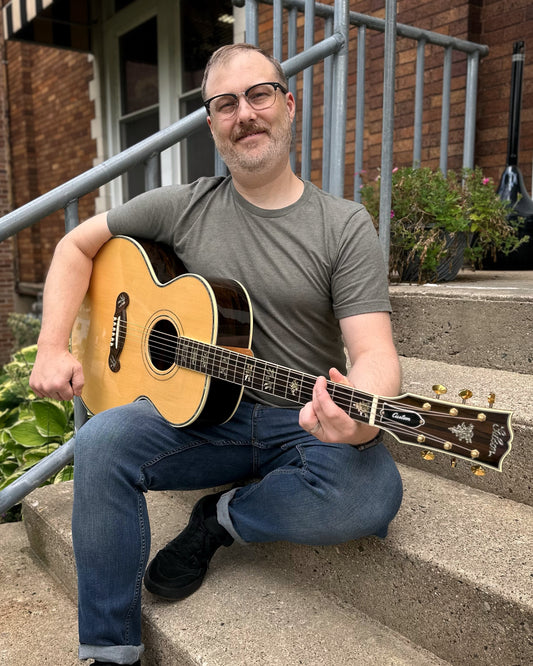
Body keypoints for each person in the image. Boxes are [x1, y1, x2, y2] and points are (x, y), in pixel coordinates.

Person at [29, 43, 403, 666]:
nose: (244, 114)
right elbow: (76, 247)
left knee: (371, 496)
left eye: (259, 95)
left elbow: (375, 352)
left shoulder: (343, 226)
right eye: (225, 104)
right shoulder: (183, 206)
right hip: (203, 416)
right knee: (101, 440)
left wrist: (360, 416)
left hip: (299, 418)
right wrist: (51, 345)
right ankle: (109, 649)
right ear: (211, 123)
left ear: (288, 104)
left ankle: (223, 519)